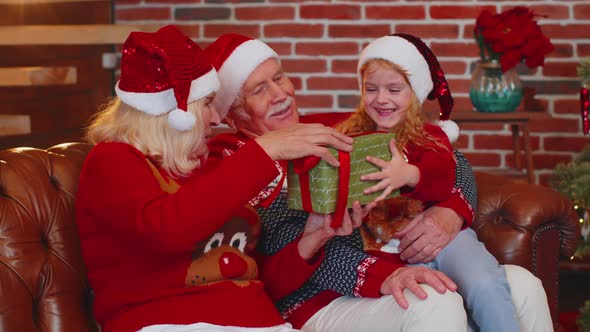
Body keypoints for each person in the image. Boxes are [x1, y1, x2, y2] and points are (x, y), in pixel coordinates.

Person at [205, 33, 553, 332]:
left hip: (396, 258)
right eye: (258, 91)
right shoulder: (232, 161)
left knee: (525, 286)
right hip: (322, 294)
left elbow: (447, 156)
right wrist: (380, 275)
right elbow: (282, 240)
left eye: (279, 78)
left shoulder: (332, 126)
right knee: (432, 300)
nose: (279, 94)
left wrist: (450, 213)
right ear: (232, 110)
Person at [75, 25, 357, 332]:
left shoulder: (207, 169)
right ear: (175, 114)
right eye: (207, 103)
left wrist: (311, 239)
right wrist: (263, 151)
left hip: (263, 323)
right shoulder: (113, 160)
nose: (216, 117)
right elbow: (167, 231)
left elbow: (258, 280)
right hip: (169, 323)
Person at [334, 33, 521, 332]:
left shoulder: (430, 136)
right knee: (444, 310)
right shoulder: (350, 136)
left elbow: (444, 177)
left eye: (394, 89)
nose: (381, 98)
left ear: (414, 94)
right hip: (391, 251)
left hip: (447, 242)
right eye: (371, 89)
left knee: (484, 283)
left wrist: (409, 174)